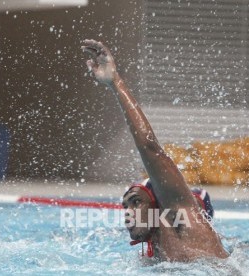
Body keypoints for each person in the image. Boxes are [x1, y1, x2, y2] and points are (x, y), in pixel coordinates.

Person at [81, 40, 228, 261]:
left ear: (162, 204)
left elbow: (150, 148)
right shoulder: (151, 257)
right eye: (126, 206)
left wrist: (116, 83)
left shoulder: (185, 225)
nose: (128, 214)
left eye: (137, 202)